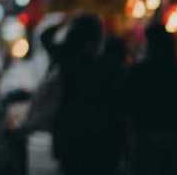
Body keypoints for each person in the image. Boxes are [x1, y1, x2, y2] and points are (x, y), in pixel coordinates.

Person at [49, 14, 122, 175]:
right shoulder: (107, 65)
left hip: (71, 135)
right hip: (101, 139)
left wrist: (65, 22)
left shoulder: (67, 58)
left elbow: (46, 37)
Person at [125, 23, 177, 175]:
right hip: (173, 137)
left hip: (146, 136)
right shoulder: (175, 71)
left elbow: (129, 104)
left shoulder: (138, 72)